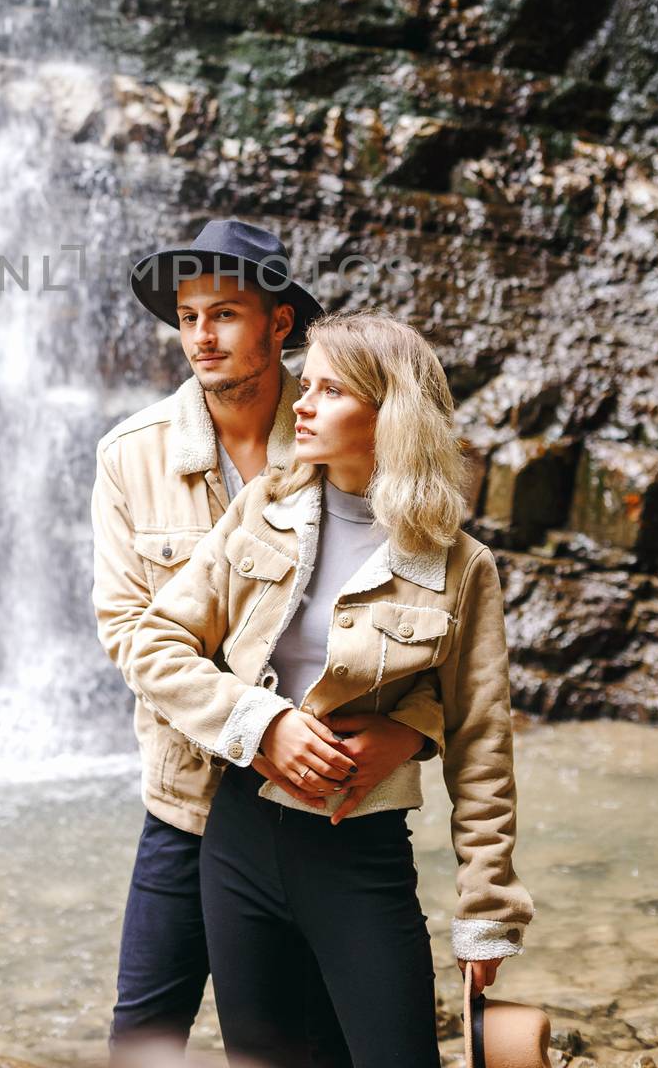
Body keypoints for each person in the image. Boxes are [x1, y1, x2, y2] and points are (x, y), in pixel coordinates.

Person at [129, 310, 534, 1068]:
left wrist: (486, 911)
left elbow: (481, 742)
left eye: (328, 390)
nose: (301, 404)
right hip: (238, 844)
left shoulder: (459, 565)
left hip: (358, 857)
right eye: (303, 385)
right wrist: (257, 720)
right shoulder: (262, 512)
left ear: (389, 415)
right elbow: (154, 644)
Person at [92, 223, 445, 1061]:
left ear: (278, 324)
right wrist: (257, 725)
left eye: (224, 314)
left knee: (314, 1039)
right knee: (143, 1034)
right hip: (189, 794)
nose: (201, 338)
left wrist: (415, 730)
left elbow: (440, 624)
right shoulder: (130, 456)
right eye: (187, 318)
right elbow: (127, 630)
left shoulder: (348, 426)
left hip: (322, 813)